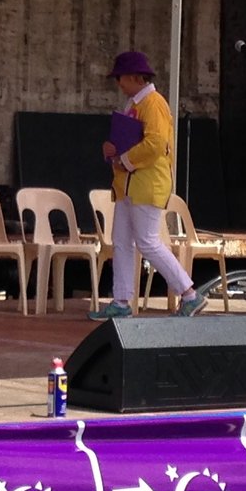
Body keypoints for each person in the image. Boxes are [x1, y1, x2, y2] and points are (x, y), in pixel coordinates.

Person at [95, 49, 208, 319]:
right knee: (122, 242)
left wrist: (123, 159)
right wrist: (113, 151)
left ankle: (189, 294)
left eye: (120, 78)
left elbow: (156, 143)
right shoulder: (136, 104)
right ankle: (121, 300)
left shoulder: (153, 103)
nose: (119, 84)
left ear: (135, 77)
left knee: (147, 242)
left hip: (146, 183)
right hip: (129, 184)